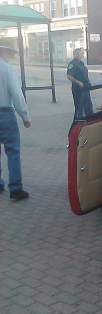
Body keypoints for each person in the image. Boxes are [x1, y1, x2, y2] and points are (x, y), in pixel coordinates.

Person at [0, 45, 31, 200]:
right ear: (2, 51)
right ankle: (15, 188)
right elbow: (16, 94)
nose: (9, 57)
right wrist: (25, 116)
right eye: (8, 53)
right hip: (5, 113)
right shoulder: (6, 69)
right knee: (12, 151)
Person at [67, 48, 94, 117]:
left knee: (88, 105)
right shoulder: (72, 64)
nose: (78, 55)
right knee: (79, 106)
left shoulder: (81, 63)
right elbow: (69, 76)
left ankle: (90, 119)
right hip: (77, 88)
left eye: (80, 54)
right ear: (74, 55)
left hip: (85, 87)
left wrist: (88, 81)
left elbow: (84, 74)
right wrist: (78, 82)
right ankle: (78, 121)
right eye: (77, 54)